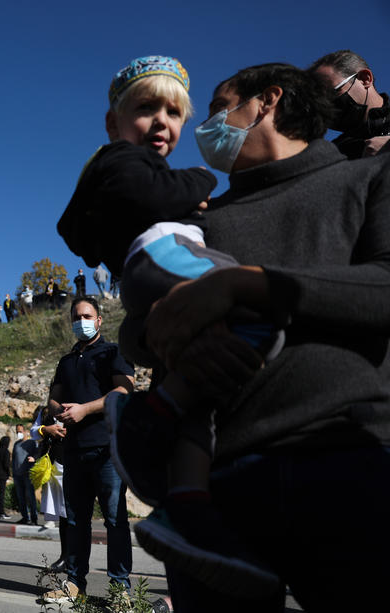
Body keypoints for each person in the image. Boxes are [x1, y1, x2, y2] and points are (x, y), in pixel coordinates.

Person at [142, 63, 390, 611]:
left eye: (217, 108)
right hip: (215, 489)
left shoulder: (369, 178)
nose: (206, 127)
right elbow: (142, 331)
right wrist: (162, 327)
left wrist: (248, 284)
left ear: (267, 101)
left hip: (351, 463)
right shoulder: (200, 222)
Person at [57, 55, 282, 598]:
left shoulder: (121, 173)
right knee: (262, 307)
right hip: (165, 255)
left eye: (174, 112)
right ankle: (145, 417)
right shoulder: (120, 159)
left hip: (157, 263)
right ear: (113, 122)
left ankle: (184, 501)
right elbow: (151, 195)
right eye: (146, 108)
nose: (162, 121)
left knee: (204, 394)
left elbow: (81, 229)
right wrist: (198, 181)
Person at [37, 297, 134, 606]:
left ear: (99, 320)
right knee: (76, 521)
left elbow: (125, 389)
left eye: (87, 316)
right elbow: (53, 399)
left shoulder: (112, 352)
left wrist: (84, 409)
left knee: (115, 520)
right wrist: (59, 411)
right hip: (74, 451)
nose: (82, 321)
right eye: (77, 317)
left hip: (107, 450)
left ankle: (120, 591)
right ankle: (74, 584)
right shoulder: (66, 361)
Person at [309, 50, 389, 158]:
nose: (326, 106)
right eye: (319, 103)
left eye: (332, 93)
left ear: (365, 79)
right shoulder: (335, 154)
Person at [31, 404, 68, 569]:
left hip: (73, 463)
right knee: (63, 514)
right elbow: (33, 432)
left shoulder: (77, 404)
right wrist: (46, 429)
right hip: (53, 465)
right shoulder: (46, 411)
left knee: (72, 514)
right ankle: (65, 556)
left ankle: (74, 559)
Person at [11, 424, 37, 525]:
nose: (19, 433)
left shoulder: (32, 443)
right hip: (17, 475)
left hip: (28, 474)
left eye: (20, 431)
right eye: (17, 432)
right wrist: (13, 472)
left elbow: (37, 454)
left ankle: (34, 518)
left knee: (30, 497)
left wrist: (33, 461)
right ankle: (25, 517)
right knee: (21, 497)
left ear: (26, 431)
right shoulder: (16, 444)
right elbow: (14, 459)